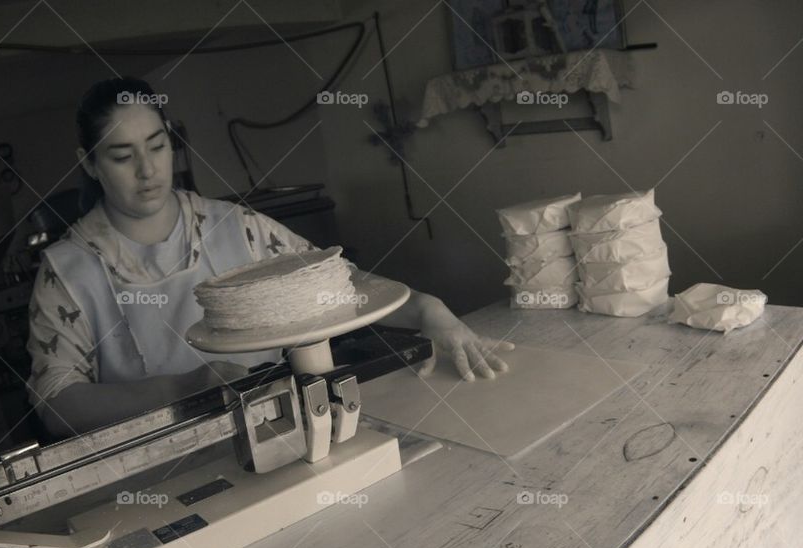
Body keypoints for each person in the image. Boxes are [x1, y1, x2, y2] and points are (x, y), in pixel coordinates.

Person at [27, 77, 514, 439]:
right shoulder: (69, 270)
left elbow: (337, 286)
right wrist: (187, 387)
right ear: (88, 162)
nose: (147, 169)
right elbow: (56, 402)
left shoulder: (235, 227)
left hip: (281, 435)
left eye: (157, 146)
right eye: (120, 155)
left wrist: (427, 309)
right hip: (156, 470)